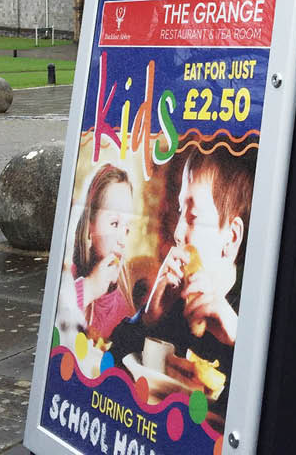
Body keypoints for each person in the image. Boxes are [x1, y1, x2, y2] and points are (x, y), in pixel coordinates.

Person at [112, 143, 255, 414]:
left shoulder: (253, 312)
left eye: (194, 217)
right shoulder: (174, 305)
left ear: (232, 237)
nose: (178, 233)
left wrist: (238, 340)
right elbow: (111, 367)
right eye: (180, 212)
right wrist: (148, 318)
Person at [61, 164, 135, 341]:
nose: (122, 240)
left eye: (127, 229)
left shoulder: (122, 307)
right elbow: (54, 318)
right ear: (90, 226)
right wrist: (89, 288)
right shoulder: (66, 276)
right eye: (114, 224)